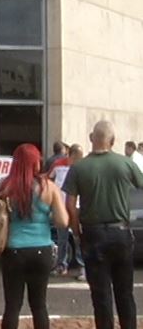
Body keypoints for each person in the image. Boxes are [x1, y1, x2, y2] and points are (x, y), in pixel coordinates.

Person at [63, 121, 143, 329]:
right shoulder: (125, 163)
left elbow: (70, 205)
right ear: (113, 141)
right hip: (121, 232)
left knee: (101, 296)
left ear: (91, 138)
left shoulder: (78, 167)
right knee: (125, 293)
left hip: (93, 233)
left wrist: (76, 230)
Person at [0, 143, 68, 329]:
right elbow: (62, 221)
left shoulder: (5, 187)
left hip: (13, 250)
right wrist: (47, 214)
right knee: (39, 306)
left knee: (12, 306)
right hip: (41, 249)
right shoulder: (48, 187)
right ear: (36, 162)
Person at [48, 144, 86, 280]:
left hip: (76, 207)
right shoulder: (58, 164)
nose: (77, 161)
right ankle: (61, 265)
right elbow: (49, 179)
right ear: (70, 155)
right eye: (76, 158)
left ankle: (82, 267)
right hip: (61, 208)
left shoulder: (82, 167)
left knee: (79, 238)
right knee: (62, 238)